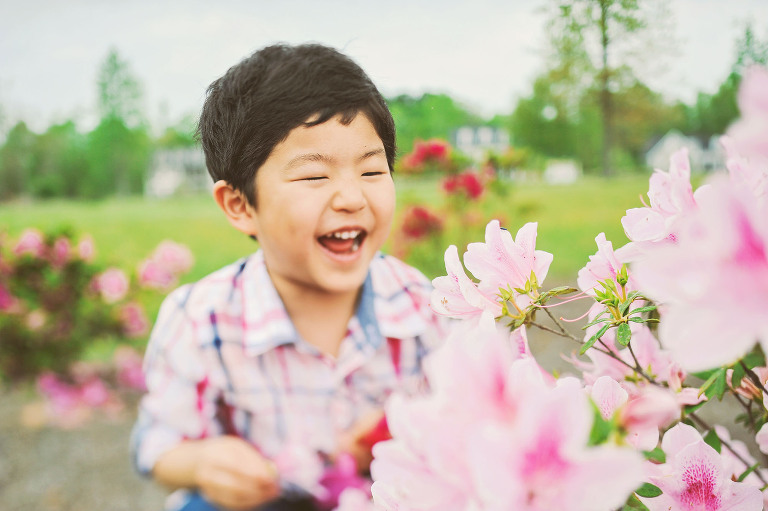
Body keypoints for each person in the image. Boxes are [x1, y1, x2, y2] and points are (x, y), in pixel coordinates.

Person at [130, 43, 445, 511]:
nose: (352, 198)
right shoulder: (201, 320)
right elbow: (155, 444)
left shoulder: (424, 306)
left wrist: (401, 429)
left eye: (372, 170)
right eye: (314, 177)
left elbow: (467, 421)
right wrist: (202, 463)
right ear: (240, 205)